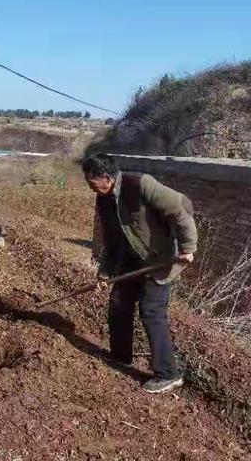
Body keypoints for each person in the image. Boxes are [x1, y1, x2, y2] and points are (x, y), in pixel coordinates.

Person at [82, 154, 197, 394]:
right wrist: (104, 274)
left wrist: (188, 248)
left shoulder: (140, 184)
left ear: (106, 177)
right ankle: (121, 356)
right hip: (131, 260)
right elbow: (112, 241)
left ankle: (169, 374)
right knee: (118, 304)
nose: (90, 186)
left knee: (151, 312)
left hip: (160, 260)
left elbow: (181, 207)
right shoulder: (103, 200)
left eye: (91, 182)